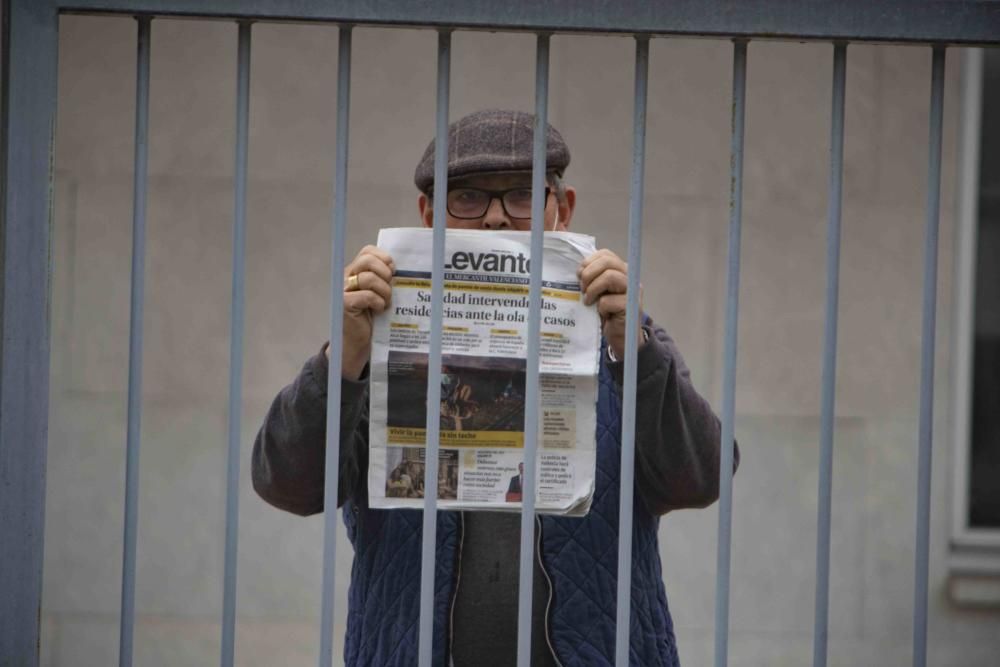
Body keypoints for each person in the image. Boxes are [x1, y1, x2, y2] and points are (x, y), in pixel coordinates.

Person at [252, 109, 739, 666]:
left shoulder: (622, 340)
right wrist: (342, 359)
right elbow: (286, 485)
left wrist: (638, 352)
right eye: (468, 198)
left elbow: (701, 478)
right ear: (429, 214)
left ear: (565, 209)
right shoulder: (377, 343)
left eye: (523, 196)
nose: (496, 220)